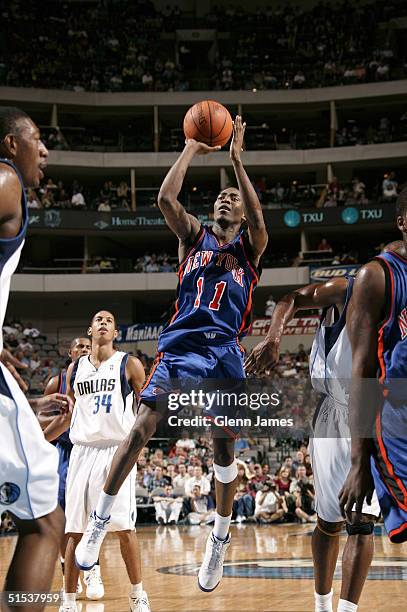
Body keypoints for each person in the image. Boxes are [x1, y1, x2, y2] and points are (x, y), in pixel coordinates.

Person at [75, 116, 268, 593]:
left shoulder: (250, 248)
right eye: (221, 195)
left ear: (242, 215)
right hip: (182, 348)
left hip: (225, 353)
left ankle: (219, 537)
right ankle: (99, 521)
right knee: (142, 426)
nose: (225, 198)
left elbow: (262, 223)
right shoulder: (193, 237)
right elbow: (165, 199)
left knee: (224, 450)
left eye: (234, 199)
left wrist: (238, 162)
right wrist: (189, 149)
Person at [245, 267, 400, 612]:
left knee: (361, 522)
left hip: (376, 413)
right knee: (328, 521)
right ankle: (321, 604)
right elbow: (291, 299)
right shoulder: (349, 288)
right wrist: (273, 337)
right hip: (334, 411)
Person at [0, 106, 71, 612]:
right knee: (46, 523)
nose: (44, 150)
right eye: (37, 139)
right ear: (10, 144)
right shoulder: (4, 180)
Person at [60, 311, 149, 612]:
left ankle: (137, 595)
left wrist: (138, 445)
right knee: (74, 528)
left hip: (116, 451)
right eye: (98, 319)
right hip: (82, 451)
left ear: (115, 332)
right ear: (90, 329)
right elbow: (72, 415)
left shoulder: (129, 364)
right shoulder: (75, 369)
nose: (102, 323)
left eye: (108, 320)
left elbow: (147, 408)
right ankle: (69, 600)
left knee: (125, 528)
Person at [339, 192, 407, 547]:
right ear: (402, 222)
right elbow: (360, 374)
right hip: (393, 420)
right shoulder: (377, 277)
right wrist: (358, 462)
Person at [38, 337, 105, 601]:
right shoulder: (57, 382)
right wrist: (59, 420)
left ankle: (93, 568)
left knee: (92, 514)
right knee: (65, 516)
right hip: (63, 452)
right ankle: (69, 572)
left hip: (91, 450)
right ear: (70, 352)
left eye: (88, 347)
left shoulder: (101, 379)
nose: (84, 350)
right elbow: (41, 416)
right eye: (79, 347)